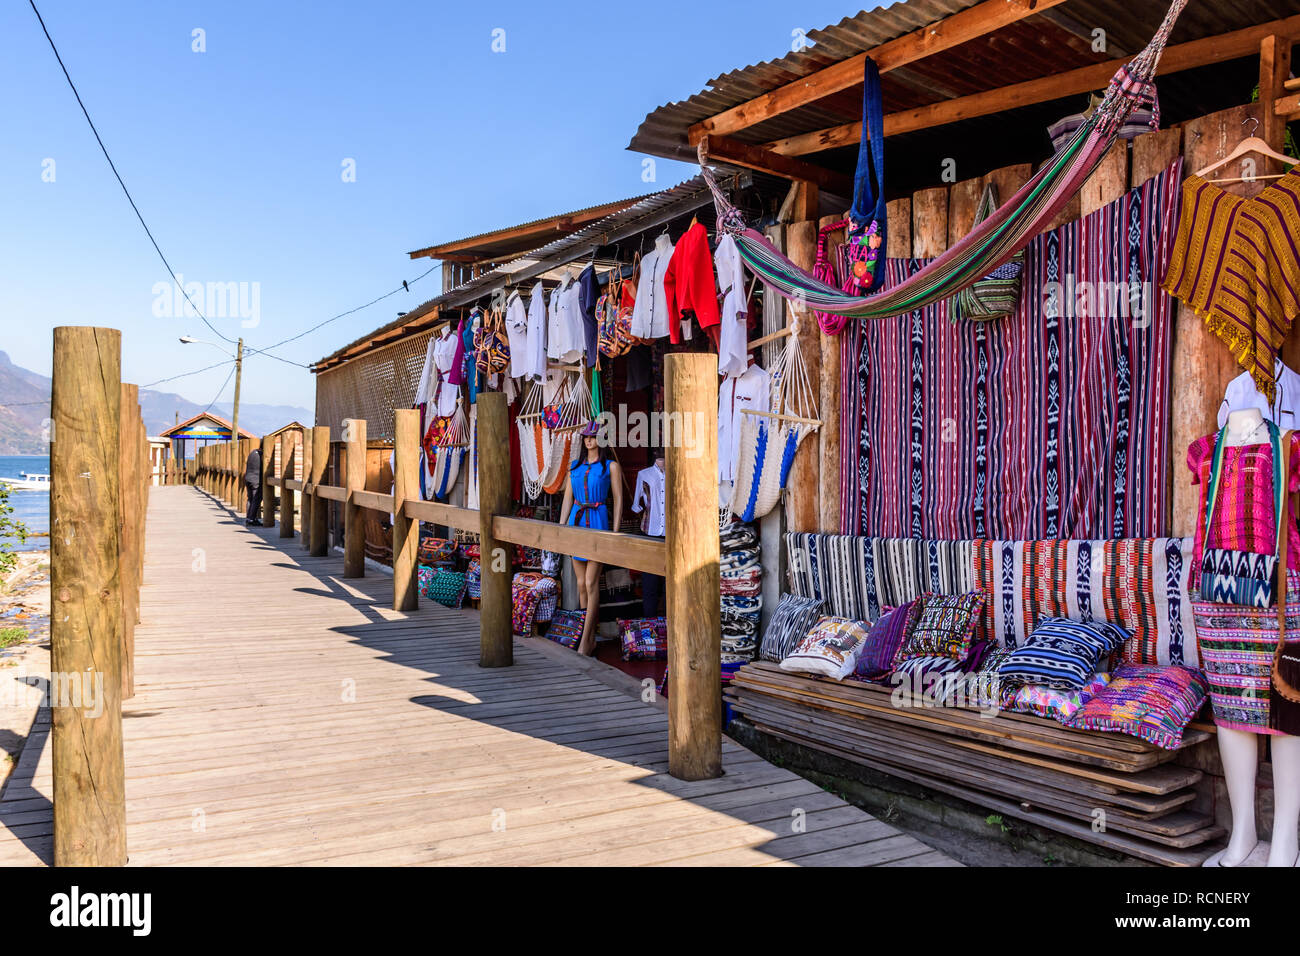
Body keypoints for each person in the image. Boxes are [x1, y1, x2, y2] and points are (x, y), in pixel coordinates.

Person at [559, 421, 622, 656]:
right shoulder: (574, 466)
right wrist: (561, 527)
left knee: (590, 582)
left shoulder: (610, 467)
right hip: (576, 521)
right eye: (586, 436)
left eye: (593, 436)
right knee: (580, 585)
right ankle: (589, 634)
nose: (589, 440)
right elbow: (567, 499)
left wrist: (614, 533)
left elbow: (617, 499)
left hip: (597, 521)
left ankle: (585, 641)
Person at [244, 445, 263, 526]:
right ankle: (252, 519)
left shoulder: (252, 452)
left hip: (248, 478)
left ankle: (249, 518)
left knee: (250, 499)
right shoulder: (261, 454)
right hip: (256, 480)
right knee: (256, 499)